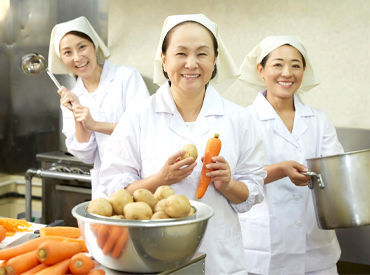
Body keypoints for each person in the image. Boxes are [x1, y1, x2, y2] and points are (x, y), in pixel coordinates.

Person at [99, 14, 266, 274]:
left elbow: (252, 191)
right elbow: (113, 192)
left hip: (219, 260)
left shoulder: (239, 119)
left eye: (202, 54)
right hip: (153, 258)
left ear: (215, 61)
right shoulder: (138, 118)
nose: (191, 64)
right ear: (164, 60)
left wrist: (228, 184)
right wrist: (161, 178)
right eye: (181, 53)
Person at [237, 35, 344, 275]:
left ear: (304, 70)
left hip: (316, 248)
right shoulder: (243, 120)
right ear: (261, 70)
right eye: (278, 64)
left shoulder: (318, 120)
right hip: (263, 248)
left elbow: (335, 172)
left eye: (296, 65)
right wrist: (280, 170)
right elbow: (234, 179)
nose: (287, 73)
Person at [47, 16, 150, 199]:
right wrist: (79, 116)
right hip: (105, 188)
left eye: (82, 47)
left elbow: (143, 129)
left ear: (94, 46)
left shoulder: (126, 77)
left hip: (143, 179)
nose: (77, 58)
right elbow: (86, 156)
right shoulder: (71, 97)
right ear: (61, 58)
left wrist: (95, 125)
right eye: (68, 52)